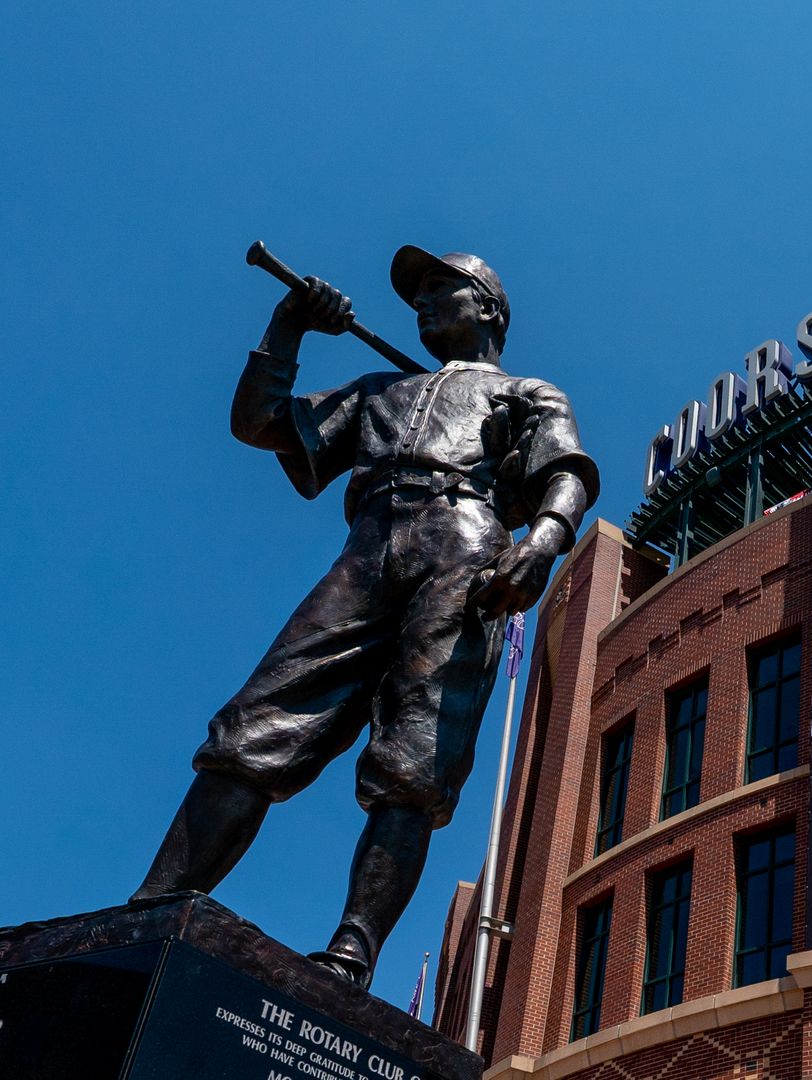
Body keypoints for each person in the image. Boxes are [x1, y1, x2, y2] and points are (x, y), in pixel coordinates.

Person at [131, 247, 598, 988]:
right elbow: (259, 423)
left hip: (464, 544)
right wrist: (289, 326)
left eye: (444, 291)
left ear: (490, 309)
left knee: (415, 758)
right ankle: (153, 904)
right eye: (419, 297)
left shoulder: (525, 392)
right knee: (256, 723)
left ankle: (352, 949)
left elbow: (566, 471)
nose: (424, 306)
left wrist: (542, 542)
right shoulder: (381, 388)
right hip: (368, 546)